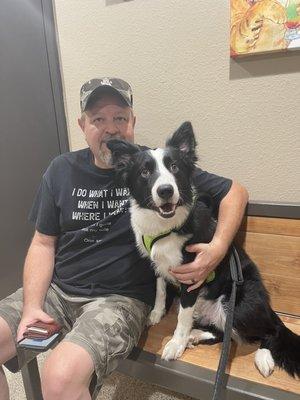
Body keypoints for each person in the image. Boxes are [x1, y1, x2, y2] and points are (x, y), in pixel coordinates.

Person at [0, 77, 248, 400]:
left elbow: (235, 194)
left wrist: (215, 250)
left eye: (119, 118)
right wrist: (33, 305)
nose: (111, 129)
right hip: (58, 291)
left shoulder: (155, 166)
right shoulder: (59, 170)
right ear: (81, 124)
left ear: (133, 122)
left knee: (59, 377)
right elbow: (43, 243)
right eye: (98, 119)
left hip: (119, 299)